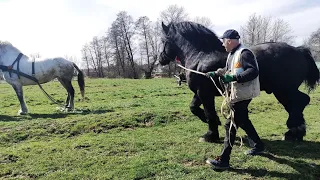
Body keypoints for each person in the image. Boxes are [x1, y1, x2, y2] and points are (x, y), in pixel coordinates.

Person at [205, 29, 265, 170]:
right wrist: (216, 73)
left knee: (230, 125)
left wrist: (234, 78)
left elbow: (253, 71)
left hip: (243, 94)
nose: (223, 45)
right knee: (243, 120)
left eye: (223, 41)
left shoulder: (244, 53)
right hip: (238, 93)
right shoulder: (232, 54)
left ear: (229, 41)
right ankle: (259, 145)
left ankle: (224, 161)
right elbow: (229, 70)